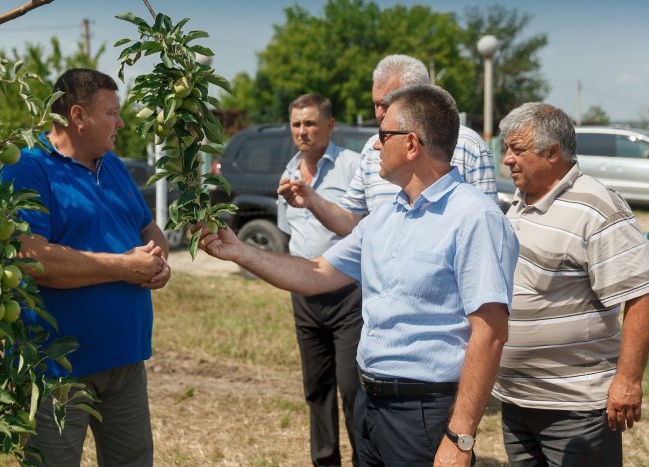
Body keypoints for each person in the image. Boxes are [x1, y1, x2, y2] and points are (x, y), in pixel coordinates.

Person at [196, 84, 519, 466]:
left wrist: (460, 437)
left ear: (412, 144)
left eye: (384, 135)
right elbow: (318, 271)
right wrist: (240, 252)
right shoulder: (385, 216)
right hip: (371, 407)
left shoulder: (475, 217)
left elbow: (490, 333)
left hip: (425, 413)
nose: (376, 146)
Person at [1, 68, 171, 466]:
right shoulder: (27, 167)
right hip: (57, 368)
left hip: (125, 360)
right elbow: (32, 258)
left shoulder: (111, 165)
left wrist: (158, 262)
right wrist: (125, 267)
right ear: (78, 115)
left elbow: (148, 228)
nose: (121, 122)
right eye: (112, 113)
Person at [492, 102, 649, 466]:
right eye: (506, 149)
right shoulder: (518, 202)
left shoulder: (598, 209)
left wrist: (627, 380)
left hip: (576, 408)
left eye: (517, 150)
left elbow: (640, 295)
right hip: (517, 401)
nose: (507, 161)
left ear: (552, 153)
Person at [279, 54, 497, 237]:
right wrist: (312, 201)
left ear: (420, 97)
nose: (379, 113)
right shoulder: (372, 149)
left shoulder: (468, 145)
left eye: (386, 104)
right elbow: (349, 220)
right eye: (375, 104)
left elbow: (487, 228)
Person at [277, 93, 362, 466]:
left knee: (352, 388)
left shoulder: (353, 166)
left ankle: (366, 459)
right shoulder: (288, 171)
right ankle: (325, 461)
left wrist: (314, 200)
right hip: (305, 295)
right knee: (316, 388)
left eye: (310, 123)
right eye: (296, 124)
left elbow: (361, 230)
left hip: (347, 295)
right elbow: (288, 233)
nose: (302, 131)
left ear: (329, 125)